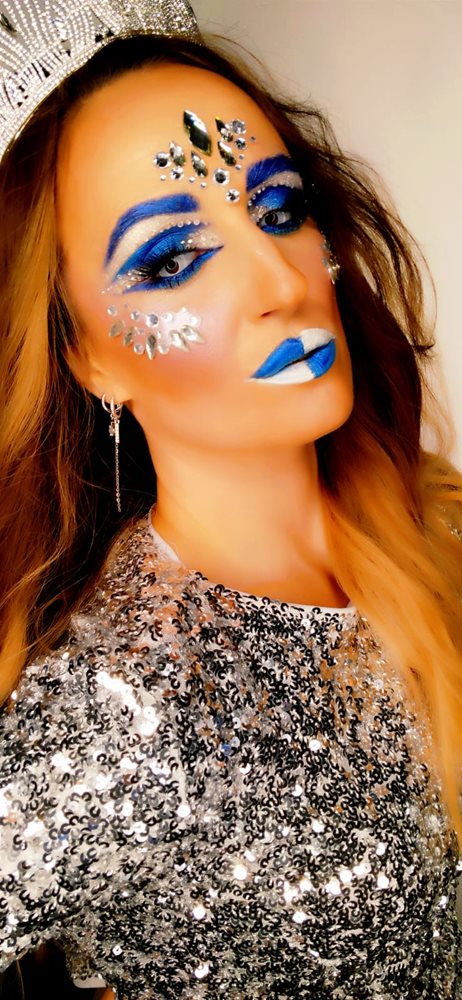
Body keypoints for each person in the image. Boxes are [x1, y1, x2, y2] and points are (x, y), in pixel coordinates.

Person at [0, 1, 461, 997]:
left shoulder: (445, 530)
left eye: (280, 210)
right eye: (171, 259)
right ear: (85, 356)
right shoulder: (112, 712)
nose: (279, 283)